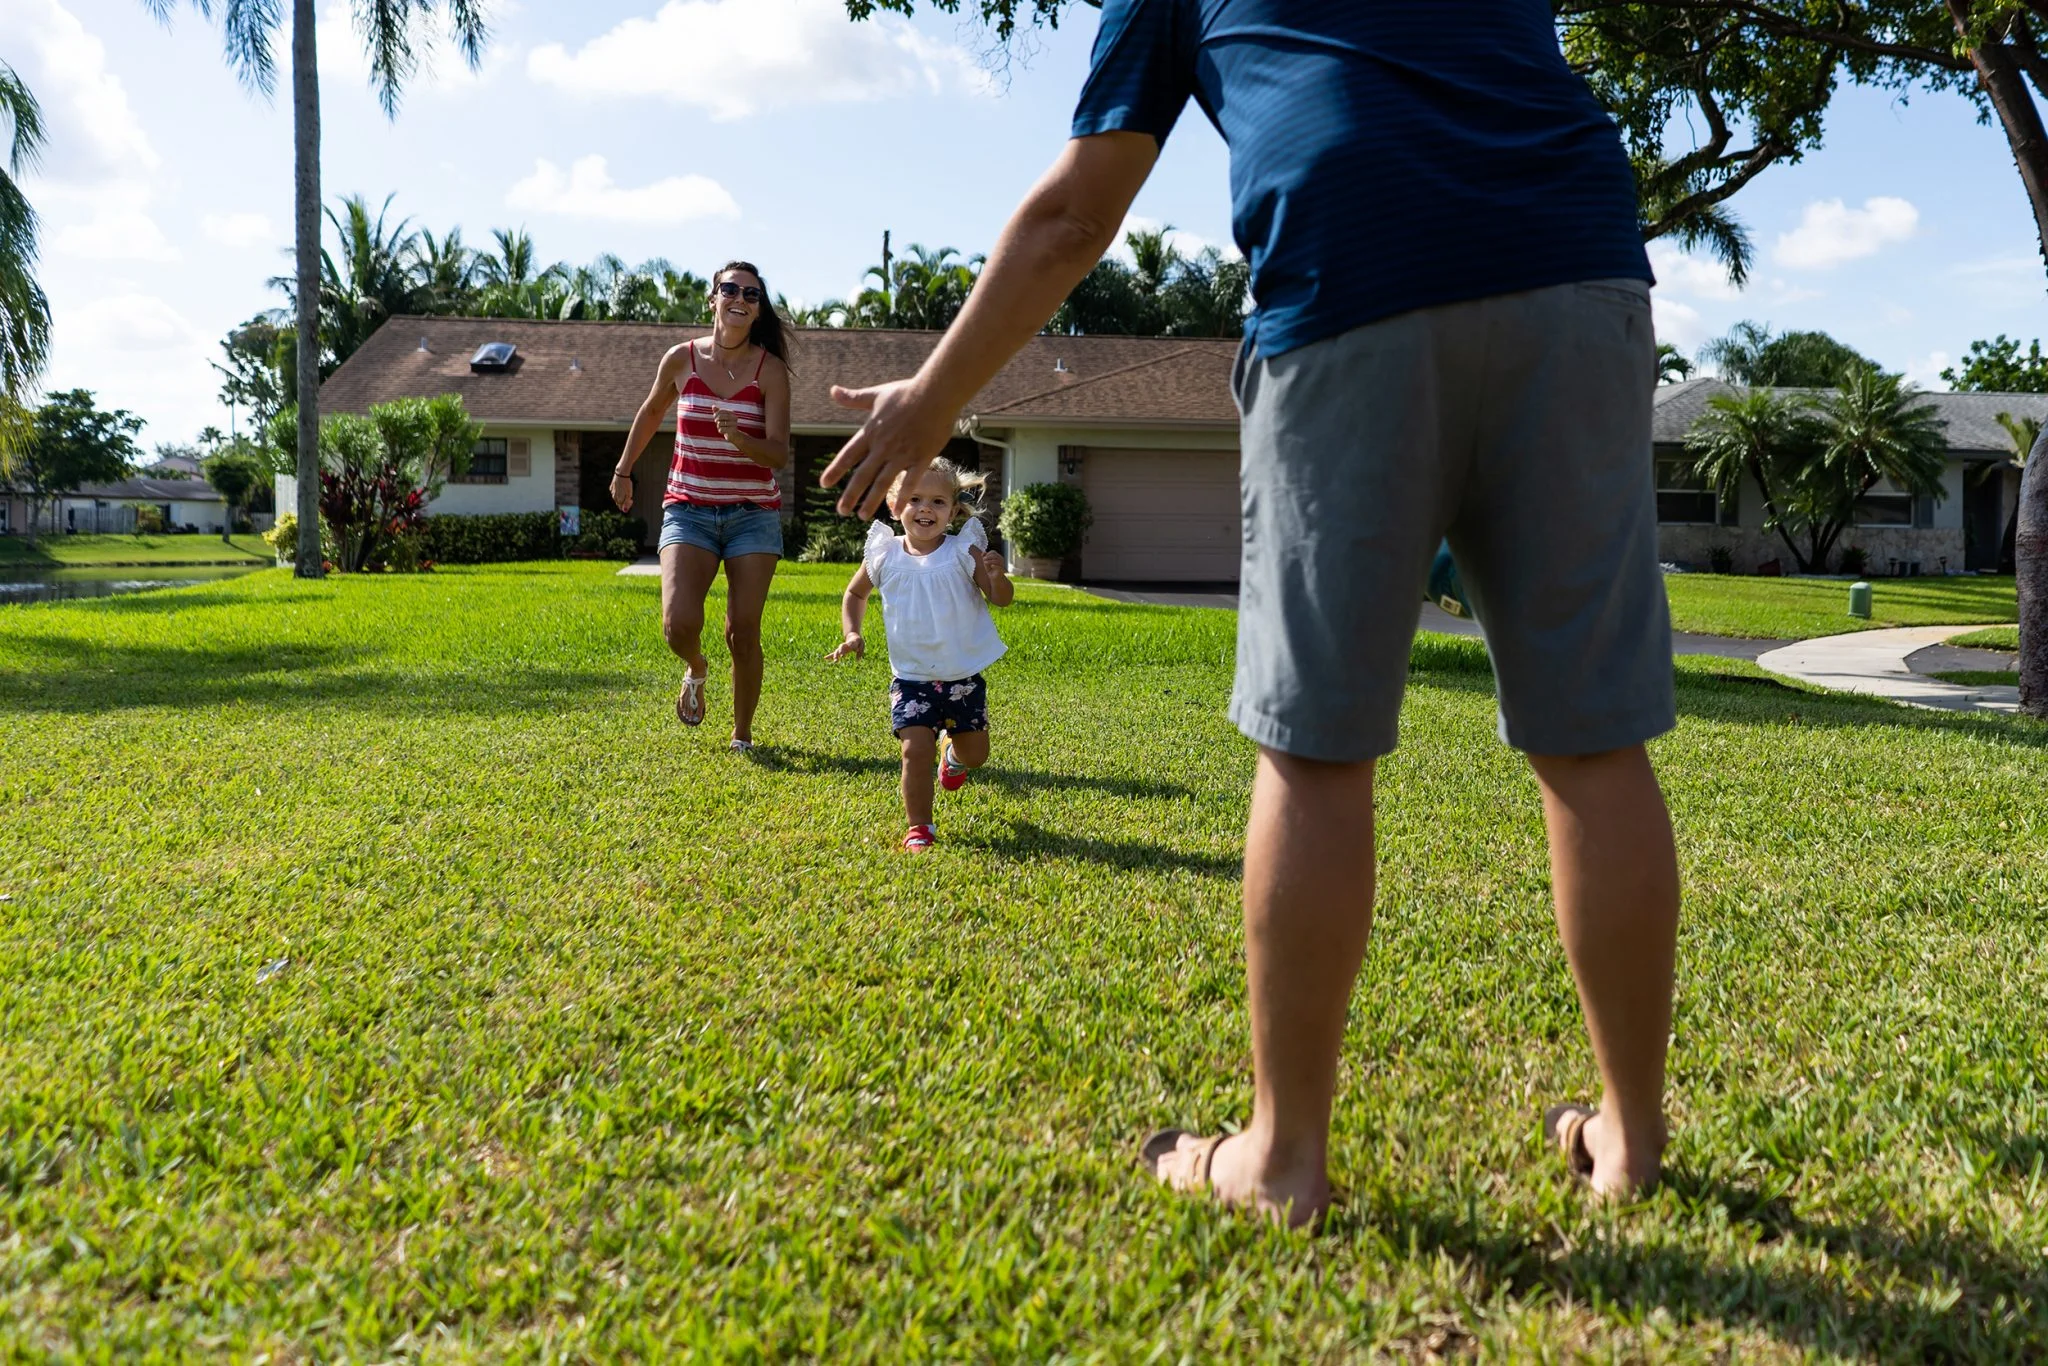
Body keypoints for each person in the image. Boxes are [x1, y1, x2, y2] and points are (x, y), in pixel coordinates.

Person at [819, 2, 1683, 1226]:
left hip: (1353, 274)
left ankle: (1281, 1159)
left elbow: (1076, 214)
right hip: (1578, 261)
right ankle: (1631, 1140)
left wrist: (929, 400)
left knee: (1315, 745)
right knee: (1594, 736)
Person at [613, 261, 792, 752]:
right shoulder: (680, 359)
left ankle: (742, 736)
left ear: (758, 310)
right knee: (678, 624)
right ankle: (696, 667)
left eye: (751, 294)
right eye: (730, 289)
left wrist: (739, 438)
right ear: (712, 298)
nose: (740, 298)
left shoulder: (769, 371)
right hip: (689, 508)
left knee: (742, 630)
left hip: (752, 515)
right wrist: (624, 468)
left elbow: (778, 452)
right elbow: (651, 413)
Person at [827, 459, 1014, 851]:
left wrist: (998, 579)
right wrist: (853, 632)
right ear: (894, 506)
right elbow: (855, 593)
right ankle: (920, 827)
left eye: (937, 501)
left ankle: (955, 757)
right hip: (910, 679)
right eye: (914, 499)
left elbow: (1000, 600)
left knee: (976, 754)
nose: (925, 509)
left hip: (962, 676)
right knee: (914, 750)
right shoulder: (884, 554)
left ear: (954, 510)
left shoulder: (965, 551)